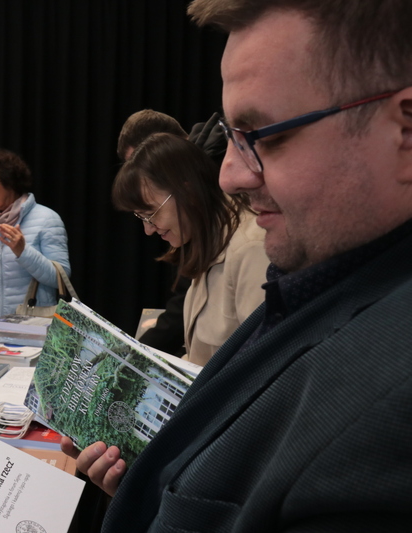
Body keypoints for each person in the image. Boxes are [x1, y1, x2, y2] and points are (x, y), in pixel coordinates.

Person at [67, 1, 412, 531]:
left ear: (404, 131)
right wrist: (150, 479)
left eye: (266, 136)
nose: (229, 174)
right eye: (231, 135)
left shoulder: (386, 408)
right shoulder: (312, 285)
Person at [112, 132, 270, 365]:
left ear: (188, 193)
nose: (148, 229)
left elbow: (262, 367)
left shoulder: (251, 249)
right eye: (141, 218)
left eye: (151, 214)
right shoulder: (207, 240)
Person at [117, 109, 228, 356]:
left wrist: (136, 358)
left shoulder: (244, 245)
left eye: (150, 212)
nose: (148, 229)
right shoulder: (203, 225)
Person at [0, 148, 71, 330]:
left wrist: (23, 251)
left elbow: (60, 277)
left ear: (9, 182)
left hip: (32, 329)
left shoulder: (47, 219)